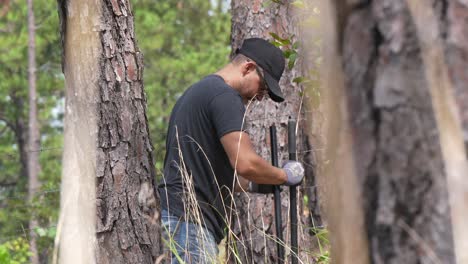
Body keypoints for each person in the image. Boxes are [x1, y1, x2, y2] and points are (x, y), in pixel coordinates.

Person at [158, 38, 305, 263]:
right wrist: (285, 175)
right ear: (248, 68)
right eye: (263, 87)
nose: (260, 96)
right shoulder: (225, 96)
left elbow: (218, 174)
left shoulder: (200, 92)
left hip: (176, 219)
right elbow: (245, 163)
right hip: (190, 225)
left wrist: (261, 183)